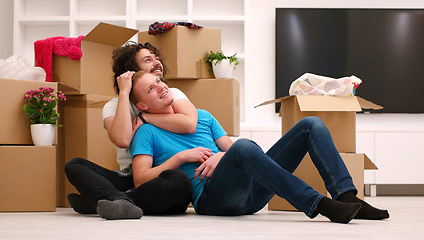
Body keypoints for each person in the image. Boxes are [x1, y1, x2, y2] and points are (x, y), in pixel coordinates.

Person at [129, 71, 390, 224]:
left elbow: (234, 152)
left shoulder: (202, 117)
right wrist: (180, 157)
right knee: (244, 147)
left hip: (250, 193)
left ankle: (345, 195)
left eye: (159, 81)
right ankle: (319, 204)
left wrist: (221, 155)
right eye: (150, 89)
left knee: (311, 124)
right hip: (212, 198)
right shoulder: (146, 132)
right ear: (142, 106)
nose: (160, 88)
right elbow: (141, 179)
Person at [65, 42, 197, 220]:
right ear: (131, 70)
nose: (157, 62)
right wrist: (125, 92)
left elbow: (189, 123)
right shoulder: (113, 106)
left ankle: (107, 200)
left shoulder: (171, 92)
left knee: (179, 181)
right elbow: (123, 139)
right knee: (75, 165)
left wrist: (145, 118)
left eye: (157, 58)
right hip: (130, 177)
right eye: (148, 59)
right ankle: (118, 199)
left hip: (162, 174)